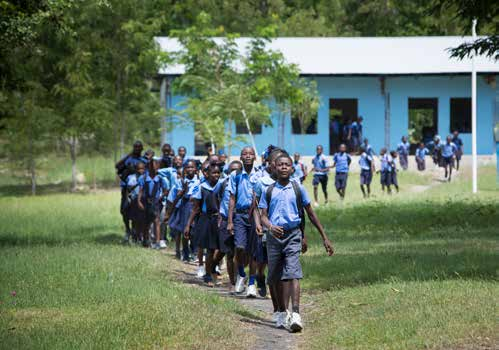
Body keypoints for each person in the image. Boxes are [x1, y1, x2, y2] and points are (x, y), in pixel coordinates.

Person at [259, 154, 334, 332]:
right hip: (274, 237)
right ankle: (281, 312)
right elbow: (262, 215)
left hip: (293, 234)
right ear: (274, 168)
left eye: (287, 165)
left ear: (293, 168)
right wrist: (270, 227)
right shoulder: (268, 190)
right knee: (274, 276)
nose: (284, 167)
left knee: (293, 272)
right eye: (281, 165)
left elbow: (310, 213)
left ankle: (296, 314)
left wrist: (324, 237)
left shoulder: (298, 188)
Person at [227, 146, 260, 297]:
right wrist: (230, 220)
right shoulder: (235, 175)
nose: (247, 156)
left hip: (254, 215)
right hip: (240, 215)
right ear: (240, 158)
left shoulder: (259, 174)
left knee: (253, 251)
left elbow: (261, 197)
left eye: (250, 154)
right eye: (244, 154)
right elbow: (232, 198)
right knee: (239, 247)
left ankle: (252, 284)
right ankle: (241, 274)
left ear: (255, 157)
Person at [185, 163, 223, 287]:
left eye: (218, 173)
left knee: (221, 248)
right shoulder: (202, 187)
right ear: (207, 174)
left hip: (219, 219)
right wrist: (188, 225)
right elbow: (196, 208)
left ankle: (212, 268)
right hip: (206, 220)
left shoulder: (222, 186)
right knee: (209, 249)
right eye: (213, 173)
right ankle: (208, 275)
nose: (216, 175)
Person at [212, 160, 243, 293]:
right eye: (232, 170)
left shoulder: (246, 183)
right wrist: (219, 213)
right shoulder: (223, 182)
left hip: (241, 219)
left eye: (238, 170)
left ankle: (240, 277)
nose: (235, 173)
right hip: (226, 220)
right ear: (228, 171)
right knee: (229, 253)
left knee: (240, 251)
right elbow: (215, 195)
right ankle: (232, 281)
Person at [165, 160, 200, 262]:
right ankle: (185, 254)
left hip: (195, 206)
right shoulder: (181, 181)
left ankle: (194, 251)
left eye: (192, 167)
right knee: (185, 231)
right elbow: (177, 197)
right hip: (185, 206)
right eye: (188, 167)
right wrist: (184, 190)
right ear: (185, 169)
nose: (190, 169)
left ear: (196, 169)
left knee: (194, 231)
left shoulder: (199, 181)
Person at [115, 141, 147, 240]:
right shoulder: (128, 158)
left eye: (139, 147)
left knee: (138, 211)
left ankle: (137, 232)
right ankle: (127, 229)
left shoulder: (144, 160)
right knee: (124, 209)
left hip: (140, 188)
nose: (137, 148)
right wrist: (130, 155)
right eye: (135, 147)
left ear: (142, 149)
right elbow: (117, 166)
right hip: (127, 187)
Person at [138, 158, 168, 249]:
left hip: (156, 202)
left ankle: (157, 242)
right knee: (146, 222)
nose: (154, 168)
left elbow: (166, 190)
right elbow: (140, 190)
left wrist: (160, 197)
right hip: (146, 202)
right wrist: (139, 201)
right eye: (151, 166)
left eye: (156, 166)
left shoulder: (160, 178)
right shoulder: (143, 178)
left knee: (156, 221)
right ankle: (146, 240)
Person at [124, 162, 146, 243]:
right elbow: (129, 188)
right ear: (136, 169)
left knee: (142, 220)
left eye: (142, 169)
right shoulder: (132, 177)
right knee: (134, 220)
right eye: (139, 169)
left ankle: (141, 236)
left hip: (143, 201)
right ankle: (134, 237)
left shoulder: (146, 177)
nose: (141, 170)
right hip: (134, 200)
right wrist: (138, 183)